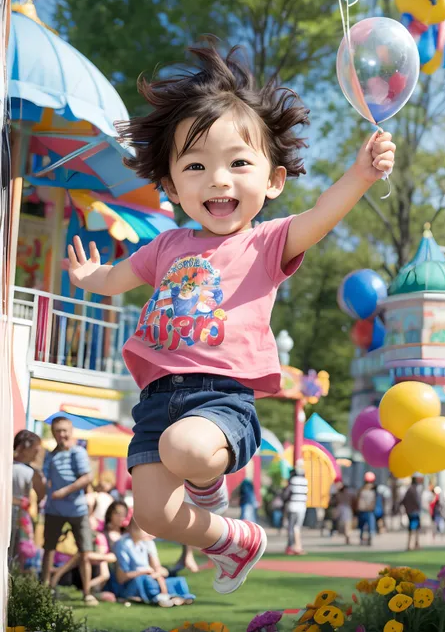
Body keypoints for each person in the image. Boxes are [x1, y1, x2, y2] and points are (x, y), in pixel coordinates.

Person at [65, 41, 395, 594]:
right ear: (170, 185)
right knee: (150, 514)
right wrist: (88, 278)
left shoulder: (266, 243)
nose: (218, 180)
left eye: (238, 163)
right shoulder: (165, 245)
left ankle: (205, 477)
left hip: (219, 399)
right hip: (156, 400)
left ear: (273, 180)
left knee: (186, 450)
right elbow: (117, 280)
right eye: (195, 167)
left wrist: (360, 176)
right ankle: (233, 540)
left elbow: (319, 216)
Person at [41, 417, 97, 606]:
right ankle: (45, 588)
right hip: (53, 510)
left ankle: (87, 593)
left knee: (85, 552)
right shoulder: (50, 455)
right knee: (48, 549)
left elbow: (87, 477)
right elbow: (44, 479)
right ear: (53, 432)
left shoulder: (78, 452)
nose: (62, 435)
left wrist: (64, 491)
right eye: (58, 431)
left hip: (77, 510)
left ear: (71, 431)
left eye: (65, 430)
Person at [112, 519, 195, 607]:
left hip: (152, 577)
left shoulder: (147, 542)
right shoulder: (123, 544)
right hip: (133, 582)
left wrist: (159, 578)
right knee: (146, 580)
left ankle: (173, 597)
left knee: (179, 581)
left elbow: (157, 568)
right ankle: (162, 598)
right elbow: (121, 578)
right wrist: (144, 572)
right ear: (131, 527)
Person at [10, 430, 46, 568]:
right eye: (35, 449)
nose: (37, 453)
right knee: (16, 556)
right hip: (18, 518)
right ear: (24, 448)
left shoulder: (7, 464)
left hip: (15, 516)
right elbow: (41, 493)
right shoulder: (30, 473)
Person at [284, 461, 308, 555]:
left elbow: (287, 494)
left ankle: (291, 546)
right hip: (302, 507)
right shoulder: (305, 481)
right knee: (297, 527)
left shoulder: (293, 480)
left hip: (293, 506)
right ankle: (297, 546)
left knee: (291, 527)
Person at [401, 475, 423, 551]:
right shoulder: (414, 490)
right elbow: (417, 501)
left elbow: (403, 501)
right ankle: (412, 545)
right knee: (414, 528)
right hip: (414, 512)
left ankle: (413, 544)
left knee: (413, 528)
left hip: (410, 512)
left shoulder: (409, 490)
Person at [356, 472, 377, 546]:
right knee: (369, 525)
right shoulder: (373, 491)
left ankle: (362, 539)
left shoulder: (361, 490)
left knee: (362, 526)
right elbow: (373, 502)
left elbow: (358, 501)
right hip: (369, 510)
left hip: (362, 510)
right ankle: (369, 539)